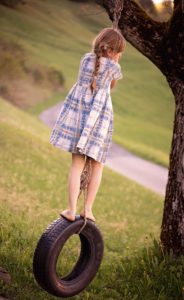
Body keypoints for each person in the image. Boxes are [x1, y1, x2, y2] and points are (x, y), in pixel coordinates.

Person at [50, 27, 126, 222]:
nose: (119, 56)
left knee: (76, 165)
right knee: (97, 166)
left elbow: (91, 76)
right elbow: (110, 84)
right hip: (99, 119)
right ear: (112, 51)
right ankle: (88, 209)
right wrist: (114, 61)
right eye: (119, 52)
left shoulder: (85, 60)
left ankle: (70, 209)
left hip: (79, 117)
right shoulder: (113, 67)